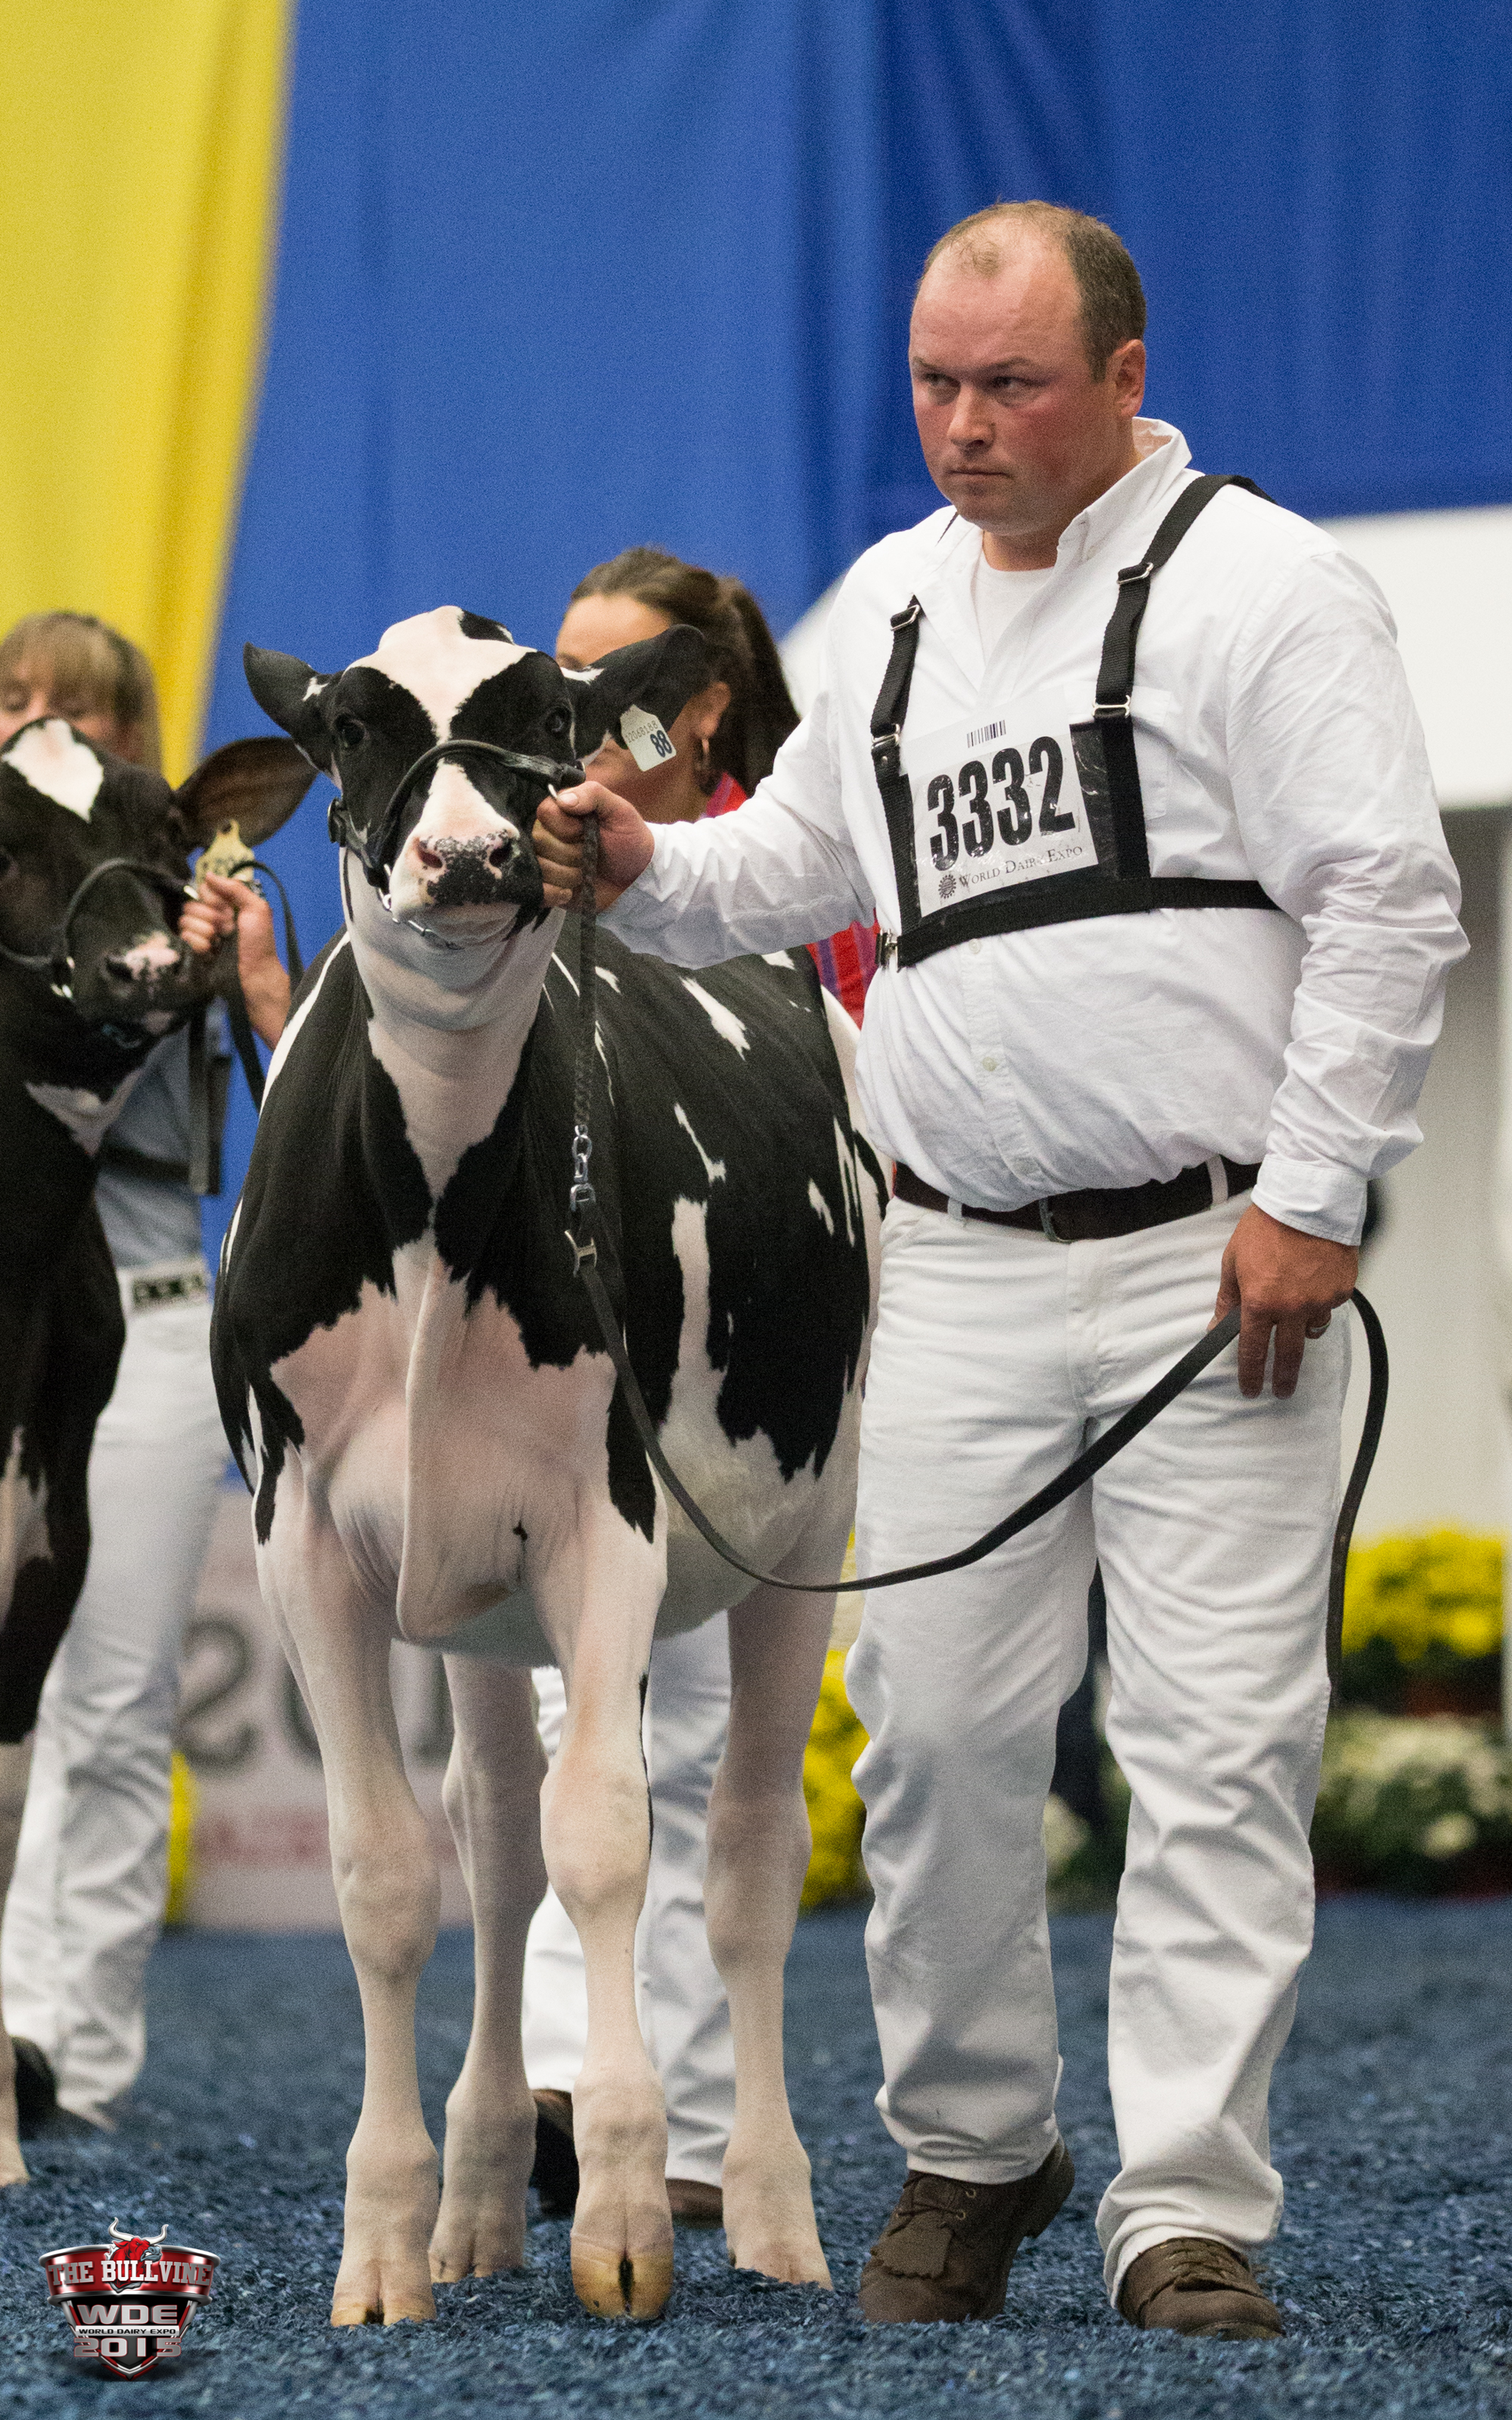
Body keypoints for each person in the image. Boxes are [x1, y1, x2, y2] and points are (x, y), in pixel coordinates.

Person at [533, 203, 1465, 2336]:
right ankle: (975, 2148)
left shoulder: (1264, 585)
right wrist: (648, 861)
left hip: (1219, 1264)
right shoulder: (890, 606)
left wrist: (1314, 1190)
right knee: (935, 1734)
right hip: (949, 1260)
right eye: (935, 385)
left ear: (1124, 377)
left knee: (1215, 1743)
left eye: (1010, 385)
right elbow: (789, 868)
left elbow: (1388, 901)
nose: (962, 426)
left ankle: (1185, 2203)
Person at [525, 551, 877, 2226]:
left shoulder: (802, 879)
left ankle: (694, 2116)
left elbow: (872, 1111)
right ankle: (570, 2074)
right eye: (562, 681)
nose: (579, 717)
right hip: (580, 1355)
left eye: (617, 687)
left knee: (721, 1734)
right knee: (573, 1707)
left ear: (702, 709)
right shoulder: (529, 883)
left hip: (781, 1359)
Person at [0, 612, 289, 2127]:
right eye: (14, 697)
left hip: (156, 1307)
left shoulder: (206, 893)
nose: (38, 723)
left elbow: (298, 1087)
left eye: (78, 708)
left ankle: (73, 2048)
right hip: (12, 1326)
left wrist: (232, 970)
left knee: (109, 1701)